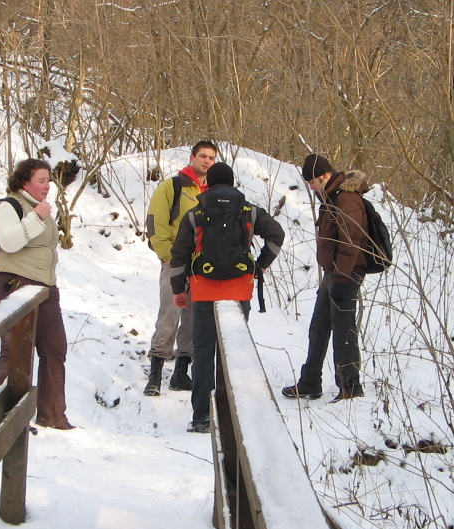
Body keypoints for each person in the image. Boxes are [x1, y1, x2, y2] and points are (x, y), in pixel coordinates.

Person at [170, 162, 285, 433]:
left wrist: (178, 289)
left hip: (204, 291)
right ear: (233, 183)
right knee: (234, 355)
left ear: (207, 183)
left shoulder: (195, 213)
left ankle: (201, 418)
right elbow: (277, 234)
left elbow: (179, 255)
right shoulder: (249, 211)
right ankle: (233, 418)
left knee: (203, 352)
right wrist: (260, 264)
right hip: (239, 291)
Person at [0, 158, 74, 430]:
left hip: (45, 288)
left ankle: (52, 416)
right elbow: (9, 242)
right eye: (41, 180)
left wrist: (41, 215)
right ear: (24, 181)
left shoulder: (42, 209)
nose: (47, 186)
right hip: (14, 284)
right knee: (14, 351)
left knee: (54, 348)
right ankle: (7, 419)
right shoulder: (7, 206)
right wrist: (37, 216)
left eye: (49, 180)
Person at [282, 153, 371, 403]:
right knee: (319, 327)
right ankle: (310, 382)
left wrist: (342, 278)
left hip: (347, 273)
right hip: (335, 273)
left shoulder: (346, 199)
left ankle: (350, 387)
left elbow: (351, 241)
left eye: (312, 182)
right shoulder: (331, 197)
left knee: (343, 331)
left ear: (324, 176)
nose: (310, 187)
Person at [143, 140, 218, 396]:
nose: (206, 161)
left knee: (193, 319)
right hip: (175, 262)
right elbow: (155, 222)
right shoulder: (172, 186)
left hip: (201, 267)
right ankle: (155, 374)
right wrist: (166, 256)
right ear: (192, 157)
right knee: (169, 315)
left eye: (211, 158)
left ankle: (181, 373)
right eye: (202, 156)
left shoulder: (213, 191)